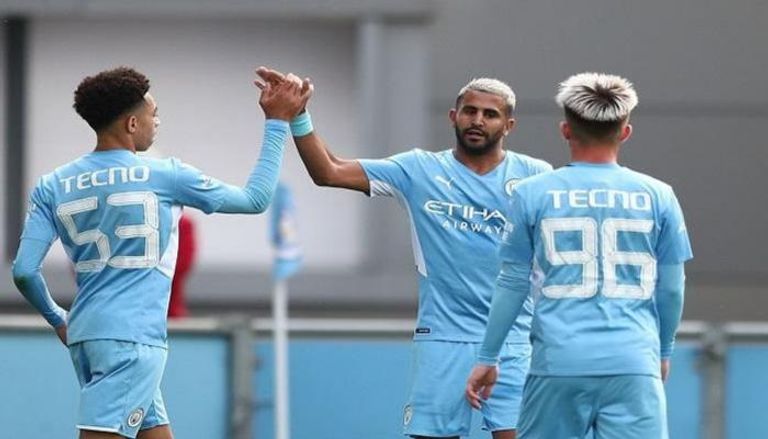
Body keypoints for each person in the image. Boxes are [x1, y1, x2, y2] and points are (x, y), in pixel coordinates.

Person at [11, 66, 311, 439]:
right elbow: (255, 199)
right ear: (132, 123)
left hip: (87, 334)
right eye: (154, 114)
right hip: (134, 340)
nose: (157, 122)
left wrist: (58, 318)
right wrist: (278, 122)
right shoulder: (166, 174)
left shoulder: (52, 184)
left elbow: (24, 271)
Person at [257, 67, 552, 439]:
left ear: (508, 125)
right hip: (443, 337)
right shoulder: (418, 169)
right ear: (453, 116)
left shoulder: (537, 176)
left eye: (490, 114)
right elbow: (329, 171)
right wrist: (299, 115)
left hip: (515, 341)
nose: (478, 120)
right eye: (470, 111)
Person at [466, 72, 693, 439]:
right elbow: (671, 288)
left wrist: (487, 357)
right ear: (625, 132)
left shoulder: (532, 192)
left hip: (558, 362)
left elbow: (512, 282)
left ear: (565, 130)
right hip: (633, 359)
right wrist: (663, 351)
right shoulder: (659, 195)